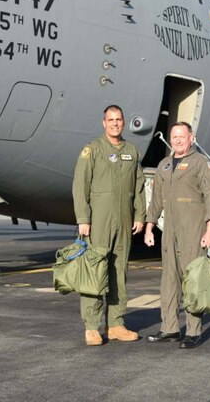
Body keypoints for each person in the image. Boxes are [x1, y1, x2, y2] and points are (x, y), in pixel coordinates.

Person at [72, 105, 147, 346]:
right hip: (99, 221)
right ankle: (92, 327)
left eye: (119, 119)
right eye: (110, 120)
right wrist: (83, 219)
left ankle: (115, 324)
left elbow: (139, 186)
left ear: (123, 122)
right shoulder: (92, 150)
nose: (115, 123)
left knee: (119, 272)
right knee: (95, 273)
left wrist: (139, 216)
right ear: (103, 123)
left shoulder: (132, 151)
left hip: (124, 220)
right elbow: (80, 186)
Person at [144, 121, 210, 349]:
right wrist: (149, 227)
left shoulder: (201, 163)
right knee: (168, 281)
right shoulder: (164, 165)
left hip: (193, 230)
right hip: (170, 231)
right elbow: (156, 199)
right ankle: (170, 328)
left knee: (192, 281)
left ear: (191, 137)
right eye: (174, 136)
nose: (177, 140)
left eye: (182, 136)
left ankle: (194, 331)